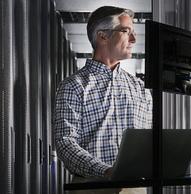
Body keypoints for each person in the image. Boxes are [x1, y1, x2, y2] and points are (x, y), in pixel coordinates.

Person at [54, 6, 152, 194]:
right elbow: (66, 144)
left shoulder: (139, 88)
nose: (133, 39)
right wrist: (107, 171)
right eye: (126, 31)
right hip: (91, 186)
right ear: (103, 36)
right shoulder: (74, 86)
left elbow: (146, 142)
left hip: (134, 189)